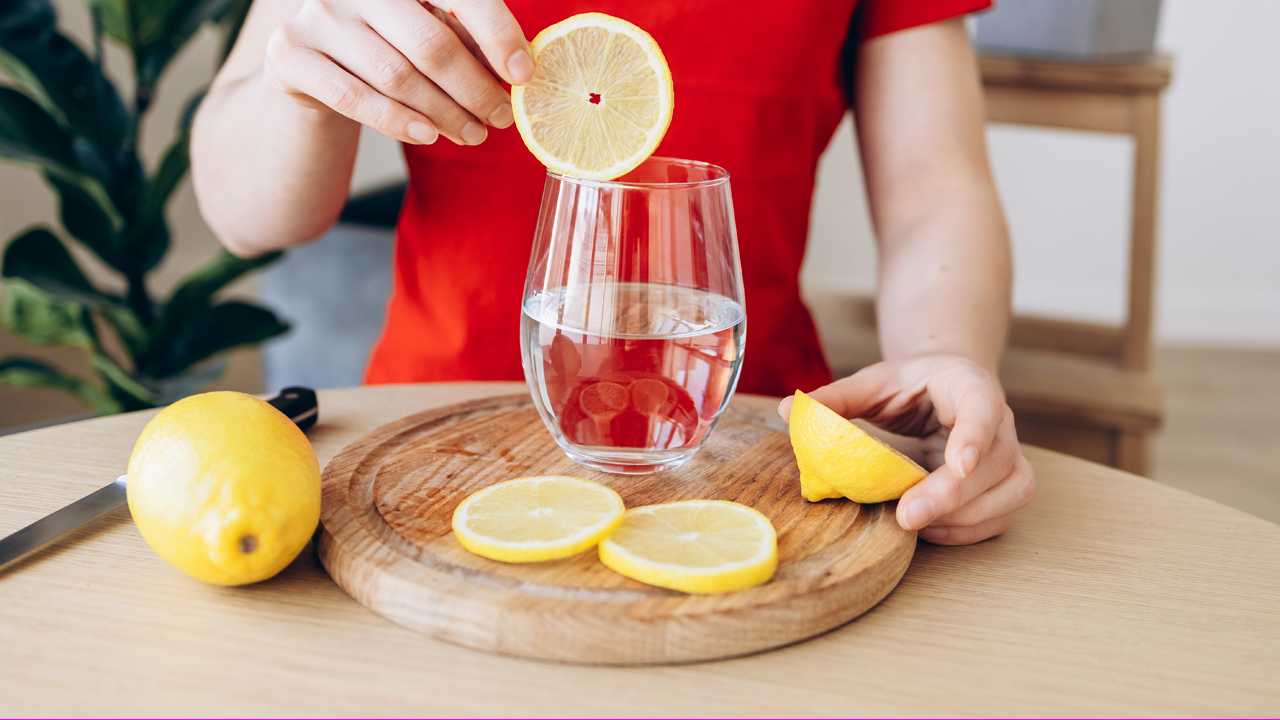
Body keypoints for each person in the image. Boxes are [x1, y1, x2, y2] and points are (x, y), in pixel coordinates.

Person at [191, 0, 1035, 546]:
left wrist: (943, 357)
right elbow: (244, 215)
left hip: (766, 459)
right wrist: (295, 87)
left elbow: (936, 187)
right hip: (434, 450)